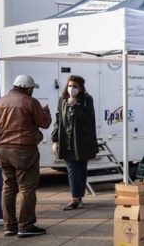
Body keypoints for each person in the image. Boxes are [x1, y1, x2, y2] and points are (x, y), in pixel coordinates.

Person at [0, 75, 52, 238]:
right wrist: (46, 112)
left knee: (8, 188)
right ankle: (26, 226)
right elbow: (44, 123)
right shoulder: (30, 102)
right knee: (27, 188)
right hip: (25, 150)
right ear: (29, 89)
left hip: (4, 150)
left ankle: (9, 226)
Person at [51, 75, 98, 211]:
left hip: (82, 140)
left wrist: (76, 107)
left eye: (75, 86)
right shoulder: (62, 100)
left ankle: (79, 196)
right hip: (67, 141)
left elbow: (88, 119)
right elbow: (58, 120)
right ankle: (75, 198)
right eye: (70, 85)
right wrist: (55, 140)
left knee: (82, 168)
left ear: (81, 88)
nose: (72, 89)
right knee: (72, 167)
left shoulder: (87, 100)